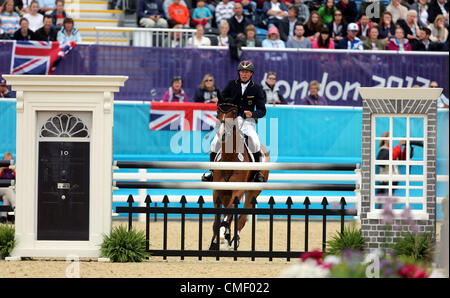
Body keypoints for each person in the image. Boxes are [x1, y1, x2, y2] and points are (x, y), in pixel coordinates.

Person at [202, 60, 267, 183]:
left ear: (251, 74)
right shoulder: (231, 84)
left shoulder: (257, 88)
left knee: (255, 142)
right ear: (239, 72)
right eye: (242, 71)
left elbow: (262, 110)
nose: (244, 74)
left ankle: (257, 172)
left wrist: (252, 114)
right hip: (231, 119)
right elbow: (222, 101)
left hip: (248, 121)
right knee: (214, 143)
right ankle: (211, 171)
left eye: (247, 72)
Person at [0, 152, 15, 223]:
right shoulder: (1, 168)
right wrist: (1, 168)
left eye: (9, 161)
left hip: (9, 193)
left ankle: (4, 217)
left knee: (6, 197)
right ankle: (15, 207)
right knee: (9, 190)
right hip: (1, 190)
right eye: (6, 161)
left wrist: (14, 169)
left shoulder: (13, 170)